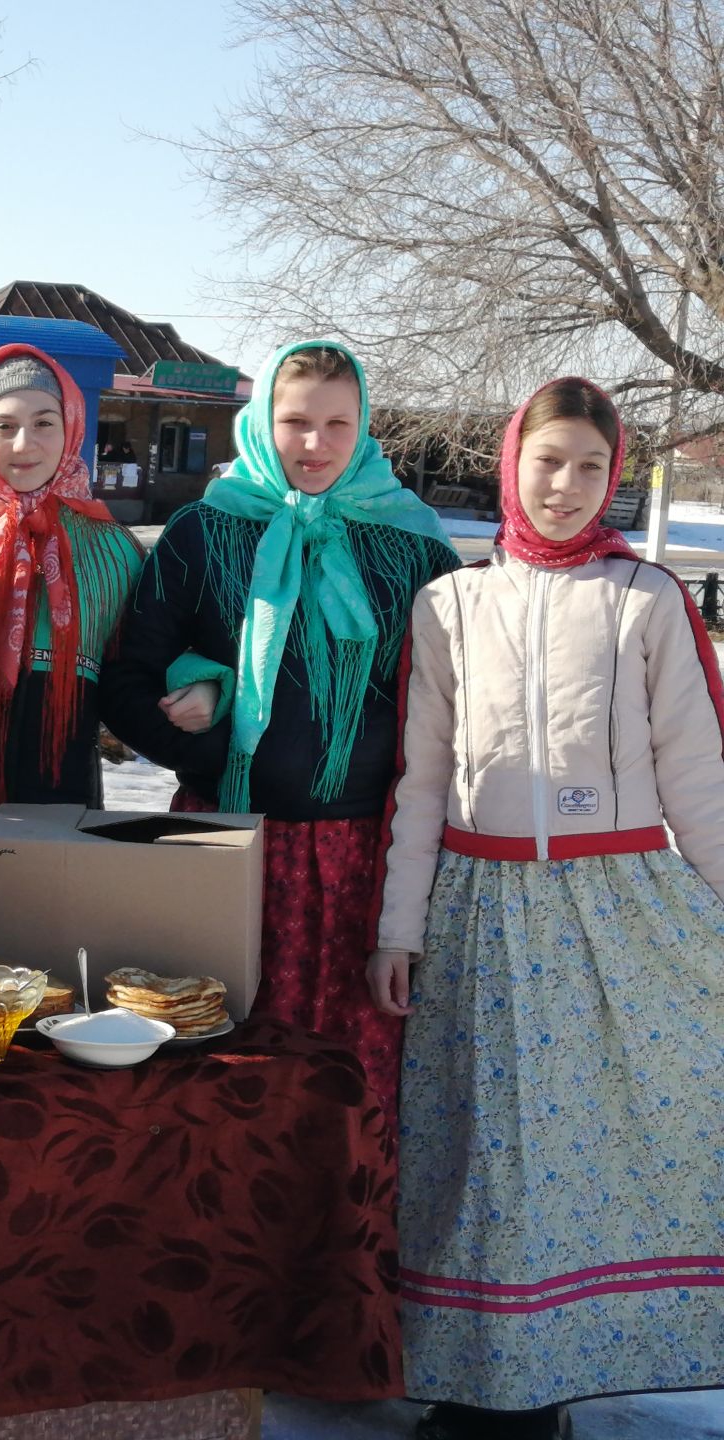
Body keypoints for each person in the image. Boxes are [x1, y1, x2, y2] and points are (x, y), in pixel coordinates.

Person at [370, 378, 724, 1440]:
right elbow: (423, 778)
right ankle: (478, 1389)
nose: (564, 486)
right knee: (481, 1155)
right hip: (482, 910)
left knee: (585, 1162)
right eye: (546, 461)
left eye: (586, 467)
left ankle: (549, 1387)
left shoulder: (645, 598)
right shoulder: (453, 605)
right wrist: (400, 925)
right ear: (511, 463)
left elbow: (697, 775)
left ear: (612, 477)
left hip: (615, 909)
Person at [99, 340, 458, 1123]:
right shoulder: (202, 531)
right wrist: (208, 742)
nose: (315, 444)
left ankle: (343, 1238)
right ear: (259, 422)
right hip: (227, 843)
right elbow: (124, 679)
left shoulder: (416, 544)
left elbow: (450, 701)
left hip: (364, 854)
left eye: (338, 423)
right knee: (222, 1069)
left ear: (364, 427)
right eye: (295, 421)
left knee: (349, 1080)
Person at [0, 347, 143, 908]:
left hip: (58, 796)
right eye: (3, 426)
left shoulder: (114, 549)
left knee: (48, 974)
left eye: (43, 423)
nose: (24, 443)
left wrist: (197, 677)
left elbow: (145, 660)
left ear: (73, 428)